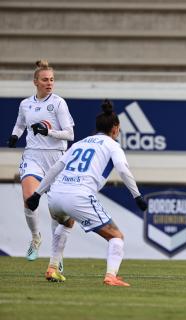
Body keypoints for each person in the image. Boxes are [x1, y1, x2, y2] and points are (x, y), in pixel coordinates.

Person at [25, 100, 148, 287]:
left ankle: (53, 268)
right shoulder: (113, 145)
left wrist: (37, 194)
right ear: (115, 128)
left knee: (67, 222)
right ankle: (111, 276)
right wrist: (137, 196)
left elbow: (56, 168)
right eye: (119, 128)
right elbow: (123, 169)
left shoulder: (79, 143)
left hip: (56, 194)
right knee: (116, 236)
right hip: (78, 196)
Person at [7, 60, 75, 264]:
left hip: (57, 158)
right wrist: (14, 135)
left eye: (52, 79)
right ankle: (36, 238)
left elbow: (70, 134)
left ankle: (56, 255)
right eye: (45, 79)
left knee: (60, 213)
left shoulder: (59, 103)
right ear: (35, 81)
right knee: (29, 199)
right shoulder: (25, 104)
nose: (49, 83)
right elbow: (20, 124)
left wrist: (49, 131)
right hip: (33, 156)